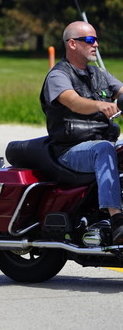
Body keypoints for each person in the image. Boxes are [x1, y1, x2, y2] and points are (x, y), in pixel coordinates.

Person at [40, 20, 123, 244]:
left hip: (99, 142)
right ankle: (118, 222)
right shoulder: (58, 76)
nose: (95, 44)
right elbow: (73, 102)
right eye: (89, 40)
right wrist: (100, 105)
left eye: (96, 39)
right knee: (105, 149)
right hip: (71, 149)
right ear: (72, 44)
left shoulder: (99, 75)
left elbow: (122, 91)